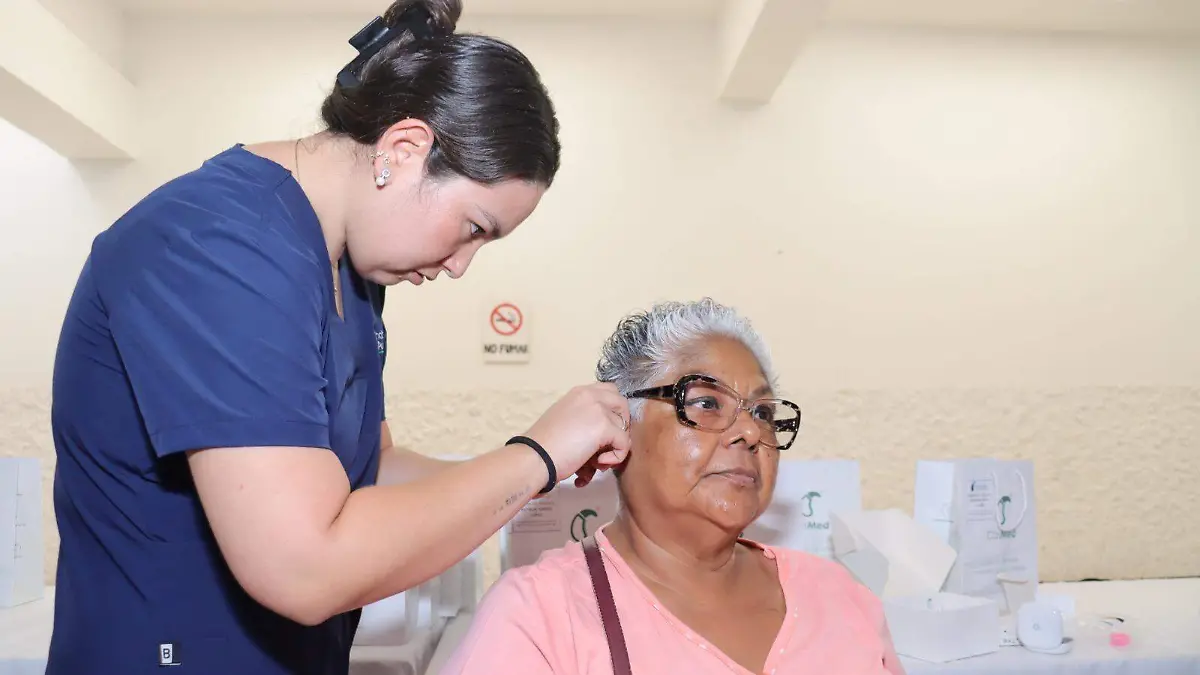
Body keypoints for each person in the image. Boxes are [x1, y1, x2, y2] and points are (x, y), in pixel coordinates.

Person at [46, 1, 632, 673]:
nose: (461, 266)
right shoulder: (220, 246)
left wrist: (539, 482)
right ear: (403, 150)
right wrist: (535, 457)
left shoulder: (351, 269)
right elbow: (305, 568)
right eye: (474, 227)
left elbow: (372, 469)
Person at [440, 299, 906, 675]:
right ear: (620, 427)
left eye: (763, 412)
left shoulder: (838, 596)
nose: (750, 432)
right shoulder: (541, 616)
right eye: (706, 403)